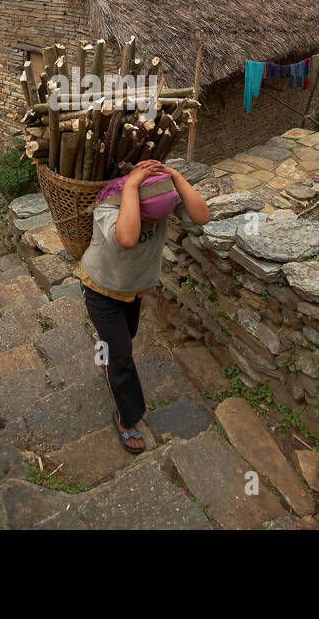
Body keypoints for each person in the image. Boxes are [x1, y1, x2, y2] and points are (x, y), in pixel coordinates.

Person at [77, 159, 210, 453]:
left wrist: (175, 176)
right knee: (123, 357)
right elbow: (127, 238)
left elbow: (201, 216)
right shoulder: (108, 206)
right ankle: (127, 418)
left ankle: (110, 356)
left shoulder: (158, 200)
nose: (153, 224)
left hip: (134, 291)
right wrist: (133, 185)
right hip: (101, 289)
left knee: (126, 339)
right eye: (150, 218)